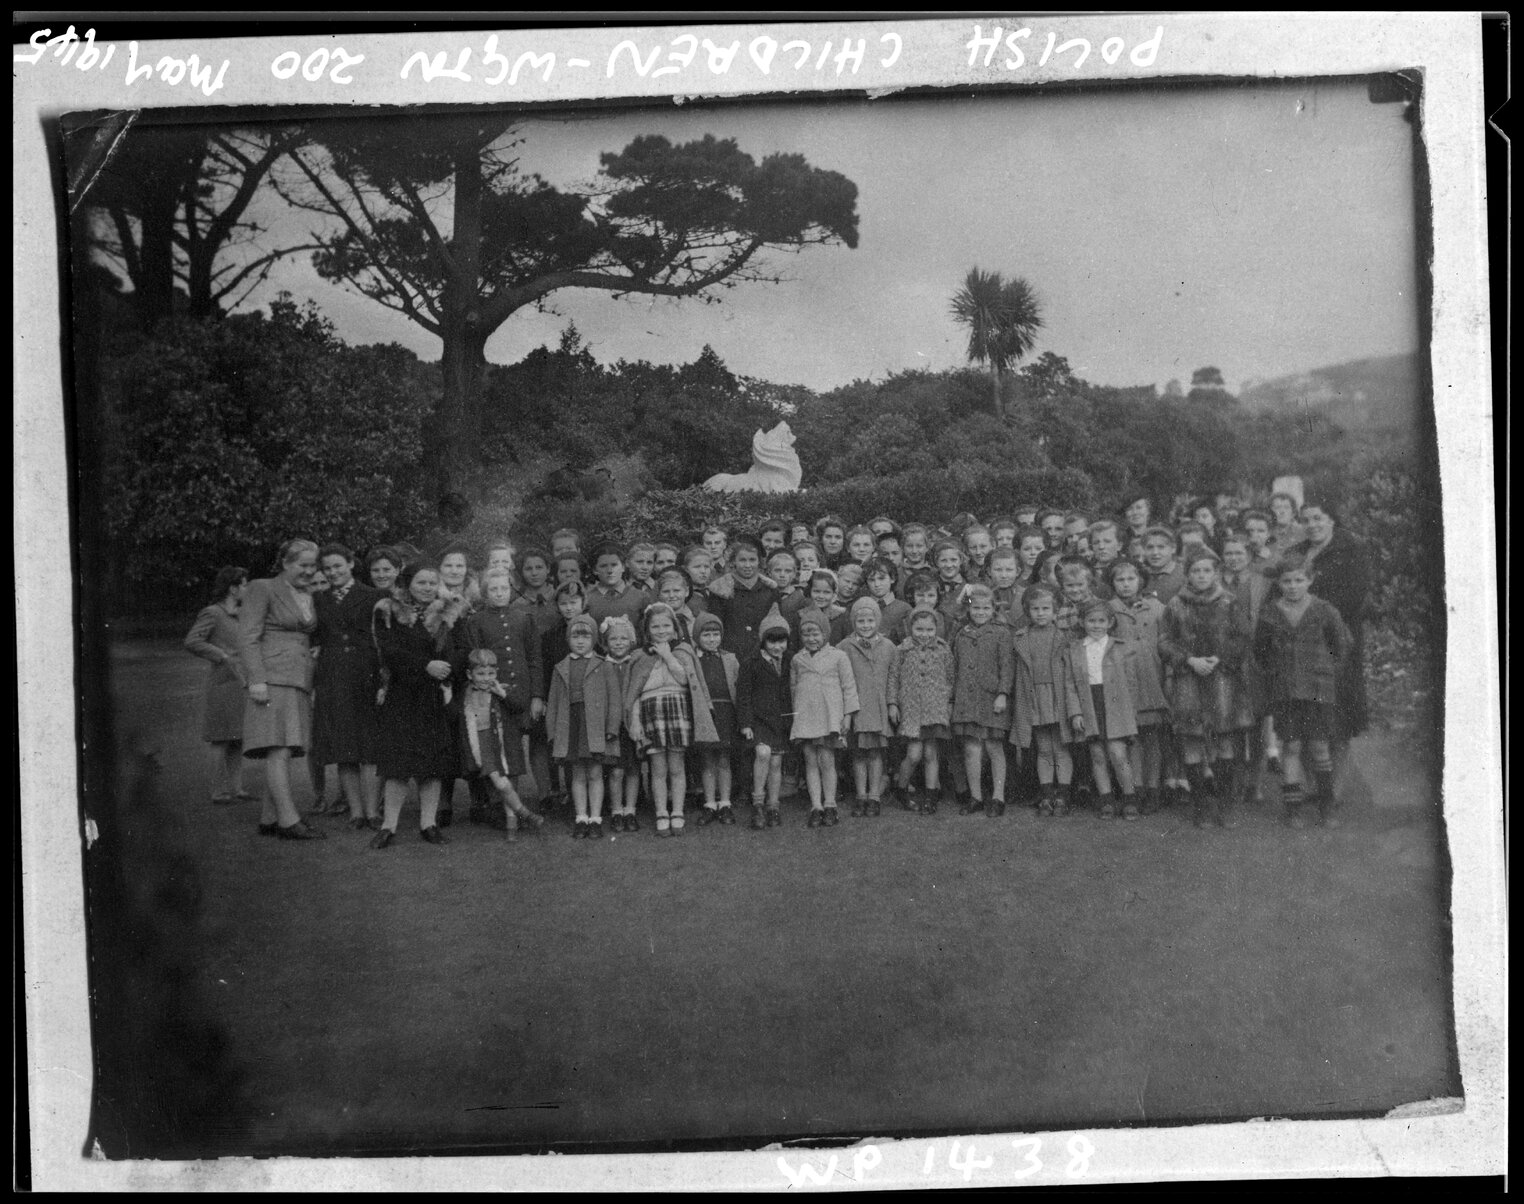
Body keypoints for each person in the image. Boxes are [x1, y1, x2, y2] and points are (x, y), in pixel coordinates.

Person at [1252, 554, 1353, 829]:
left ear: (1309, 580)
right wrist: (1276, 673)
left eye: (1299, 580)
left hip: (1318, 689)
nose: (1293, 586)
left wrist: (1325, 672)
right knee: (1292, 746)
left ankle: (1326, 807)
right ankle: (1293, 808)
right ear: (1279, 583)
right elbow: (1260, 652)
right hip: (1285, 690)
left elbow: (1341, 646)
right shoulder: (1270, 613)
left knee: (1320, 747)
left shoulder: (1324, 610)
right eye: (1287, 581)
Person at [1159, 550, 1255, 829]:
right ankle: (1200, 805)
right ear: (1187, 574)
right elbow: (1164, 642)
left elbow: (1243, 637)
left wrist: (1220, 659)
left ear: (1216, 573)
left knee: (1225, 739)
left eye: (1206, 571)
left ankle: (1224, 805)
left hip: (1222, 680)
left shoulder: (1228, 601)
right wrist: (1189, 660)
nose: (1201, 576)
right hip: (1188, 679)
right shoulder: (1176, 605)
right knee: (1192, 740)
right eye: (1195, 571)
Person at [368, 562, 461, 848]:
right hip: (401, 695)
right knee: (398, 766)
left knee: (431, 765)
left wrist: (446, 668)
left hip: (432, 697)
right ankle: (388, 826)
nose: (428, 588)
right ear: (408, 583)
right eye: (421, 583)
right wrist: (425, 666)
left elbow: (457, 651)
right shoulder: (388, 610)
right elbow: (388, 651)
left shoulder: (449, 612)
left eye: (432, 583)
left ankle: (428, 824)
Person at [239, 539, 324, 840]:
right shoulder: (262, 588)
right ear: (285, 563)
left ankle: (269, 818)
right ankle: (289, 821)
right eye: (303, 565)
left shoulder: (307, 593)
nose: (309, 571)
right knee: (279, 749)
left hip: (299, 679)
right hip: (272, 679)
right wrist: (256, 679)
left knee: (285, 748)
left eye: (313, 565)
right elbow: (248, 637)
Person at [452, 568, 546, 825]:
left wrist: (537, 695)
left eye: (504, 588)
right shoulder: (477, 621)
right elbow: (475, 660)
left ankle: (511, 809)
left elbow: (535, 659)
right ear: (484, 593)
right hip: (492, 695)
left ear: (512, 590)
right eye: (493, 589)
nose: (499, 593)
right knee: (495, 749)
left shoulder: (524, 618)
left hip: (520, 694)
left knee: (513, 751)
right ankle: (499, 806)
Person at [625, 602, 718, 837]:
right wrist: (635, 721)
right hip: (651, 710)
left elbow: (685, 680)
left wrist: (667, 655)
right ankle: (661, 812)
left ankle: (677, 811)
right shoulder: (639, 656)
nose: (661, 630)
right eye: (655, 626)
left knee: (676, 766)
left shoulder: (683, 650)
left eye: (666, 625)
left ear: (675, 628)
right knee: (657, 768)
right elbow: (634, 693)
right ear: (647, 630)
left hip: (677, 709)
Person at [311, 544, 384, 830]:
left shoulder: (373, 596)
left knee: (369, 746)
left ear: (351, 564)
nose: (333, 573)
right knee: (344, 746)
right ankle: (356, 812)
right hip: (333, 677)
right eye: (327, 568)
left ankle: (372, 811)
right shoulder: (318, 599)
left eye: (338, 566)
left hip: (366, 675)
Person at [1291, 501, 1372, 748]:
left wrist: (1317, 620)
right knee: (1307, 712)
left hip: (1337, 638)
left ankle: (1333, 786)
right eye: (1306, 520)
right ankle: (1316, 781)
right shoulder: (1298, 552)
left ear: (1331, 520)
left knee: (1338, 714)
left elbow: (1356, 595)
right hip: (1302, 640)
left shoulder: (1352, 548)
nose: (1312, 525)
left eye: (1317, 518)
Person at [453, 648, 543, 842]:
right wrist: (446, 697)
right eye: (481, 674)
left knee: (504, 784)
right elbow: (455, 715)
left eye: (491, 673)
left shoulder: (499, 690)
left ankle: (514, 824)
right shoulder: (466, 693)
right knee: (501, 784)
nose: (486, 678)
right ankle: (524, 813)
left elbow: (519, 707)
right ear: (470, 674)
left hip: (502, 745)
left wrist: (503, 694)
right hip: (481, 746)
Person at [546, 613, 623, 840]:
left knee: (595, 772)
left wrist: (612, 728)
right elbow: (553, 703)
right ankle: (581, 817)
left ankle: (596, 818)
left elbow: (614, 700)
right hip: (571, 724)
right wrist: (552, 732)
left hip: (595, 726)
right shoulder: (560, 667)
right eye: (575, 637)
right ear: (568, 639)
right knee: (577, 773)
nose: (580, 642)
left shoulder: (603, 665)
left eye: (586, 637)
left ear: (594, 639)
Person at [1064, 601, 1142, 820]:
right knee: (1097, 755)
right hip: (1090, 702)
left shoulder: (1120, 646)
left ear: (1110, 622)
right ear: (1082, 622)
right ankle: (1106, 799)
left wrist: (1130, 712)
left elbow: (1132, 683)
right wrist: (1076, 712)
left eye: (1101, 621)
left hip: (1116, 705)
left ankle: (1129, 798)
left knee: (1118, 754)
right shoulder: (1076, 649)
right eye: (1091, 621)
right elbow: (1070, 684)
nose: (1096, 625)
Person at [184, 565, 252, 805]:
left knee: (238, 737)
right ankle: (218, 791)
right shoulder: (213, 613)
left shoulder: (245, 613)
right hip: (223, 682)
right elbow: (192, 641)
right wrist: (220, 654)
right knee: (220, 738)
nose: (248, 588)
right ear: (233, 588)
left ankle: (237, 788)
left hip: (242, 682)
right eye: (244, 584)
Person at [1107, 559, 1169, 815]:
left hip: (1152, 678)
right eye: (1119, 580)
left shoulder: (1157, 608)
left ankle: (1154, 789)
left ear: (1141, 581)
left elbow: (1167, 642)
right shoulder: (1109, 610)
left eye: (1130, 579)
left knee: (1152, 737)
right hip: (1123, 682)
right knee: (1132, 739)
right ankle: (1137, 788)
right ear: (1112, 584)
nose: (1125, 585)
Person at [790, 610, 859, 827]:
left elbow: (849, 688)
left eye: (816, 634)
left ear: (825, 633)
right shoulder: (797, 659)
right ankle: (816, 806)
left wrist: (847, 717)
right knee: (810, 761)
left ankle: (830, 804)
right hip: (806, 717)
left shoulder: (838, 656)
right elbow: (794, 690)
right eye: (806, 635)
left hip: (829, 717)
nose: (811, 639)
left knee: (827, 761)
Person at [950, 583, 1014, 816]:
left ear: (993, 609)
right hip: (966, 699)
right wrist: (952, 699)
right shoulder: (961, 634)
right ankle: (975, 796)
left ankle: (998, 797)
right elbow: (955, 667)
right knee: (971, 748)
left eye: (986, 608)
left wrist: (1002, 694)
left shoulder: (1001, 633)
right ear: (968, 609)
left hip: (992, 698)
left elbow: (1007, 667)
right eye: (975, 608)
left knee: (994, 746)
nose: (980, 612)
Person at [1011, 585, 1075, 817]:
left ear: (1055, 610)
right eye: (1035, 609)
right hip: (1033, 697)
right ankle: (1047, 794)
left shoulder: (1064, 637)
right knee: (1044, 748)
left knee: (1061, 747)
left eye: (1046, 608)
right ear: (1028, 611)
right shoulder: (1021, 637)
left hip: (1058, 697)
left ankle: (1064, 794)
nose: (1040, 613)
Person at [887, 605, 954, 815]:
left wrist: (948, 703)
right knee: (914, 754)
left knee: (931, 753)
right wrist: (893, 704)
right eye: (919, 630)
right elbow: (893, 678)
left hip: (935, 709)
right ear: (910, 628)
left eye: (929, 630)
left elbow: (950, 678)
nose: (924, 635)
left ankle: (931, 795)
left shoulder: (943, 650)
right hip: (912, 709)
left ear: (936, 630)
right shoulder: (903, 650)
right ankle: (901, 787)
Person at [737, 614, 795, 828]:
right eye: (772, 641)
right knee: (763, 754)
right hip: (759, 718)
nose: (777, 646)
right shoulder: (751, 663)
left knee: (776, 761)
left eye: (782, 641)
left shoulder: (790, 661)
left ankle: (773, 805)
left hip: (779, 720)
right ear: (763, 641)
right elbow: (743, 695)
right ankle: (758, 803)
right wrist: (746, 723)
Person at [840, 597, 895, 817]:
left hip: (879, 707)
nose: (865, 625)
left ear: (877, 621)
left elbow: (893, 677)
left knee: (875, 753)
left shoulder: (888, 646)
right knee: (858, 754)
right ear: (854, 622)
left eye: (870, 621)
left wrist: (892, 704)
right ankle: (861, 795)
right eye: (860, 621)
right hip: (856, 708)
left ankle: (874, 795)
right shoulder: (844, 647)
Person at [690, 612, 742, 825]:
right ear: (697, 637)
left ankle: (725, 803)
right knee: (707, 759)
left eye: (715, 635)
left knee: (724, 759)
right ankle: (710, 803)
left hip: (726, 712)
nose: (712, 640)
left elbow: (737, 687)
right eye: (706, 635)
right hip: (705, 713)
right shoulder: (693, 659)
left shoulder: (729, 658)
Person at [599, 616, 644, 832]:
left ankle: (631, 810)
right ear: (605, 643)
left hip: (633, 724)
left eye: (623, 638)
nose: (618, 643)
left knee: (633, 769)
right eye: (613, 639)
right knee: (616, 772)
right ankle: (617, 810)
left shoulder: (634, 663)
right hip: (612, 727)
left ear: (631, 641)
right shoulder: (602, 665)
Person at [705, 534, 780, 658]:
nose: (747, 565)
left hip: (763, 654)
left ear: (759, 561)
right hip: (731, 653)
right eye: (742, 560)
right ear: (734, 562)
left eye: (752, 560)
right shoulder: (720, 590)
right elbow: (715, 626)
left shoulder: (770, 590)